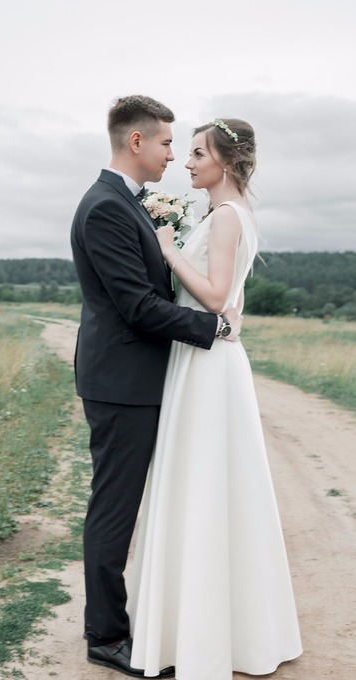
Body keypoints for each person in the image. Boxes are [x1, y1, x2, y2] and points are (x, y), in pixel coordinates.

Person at [70, 96, 242, 678]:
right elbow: (138, 306)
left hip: (138, 378)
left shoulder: (128, 202)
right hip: (122, 383)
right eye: (168, 143)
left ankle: (133, 619)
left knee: (125, 506)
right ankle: (106, 636)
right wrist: (213, 327)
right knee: (114, 510)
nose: (174, 154)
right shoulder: (106, 208)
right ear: (136, 141)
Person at [127, 118, 303, 679]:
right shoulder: (221, 213)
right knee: (204, 481)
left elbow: (217, 296)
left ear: (225, 161)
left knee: (205, 482)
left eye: (198, 153)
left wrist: (168, 250)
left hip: (207, 364)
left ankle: (203, 634)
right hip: (199, 358)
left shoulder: (227, 216)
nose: (187, 161)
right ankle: (202, 624)